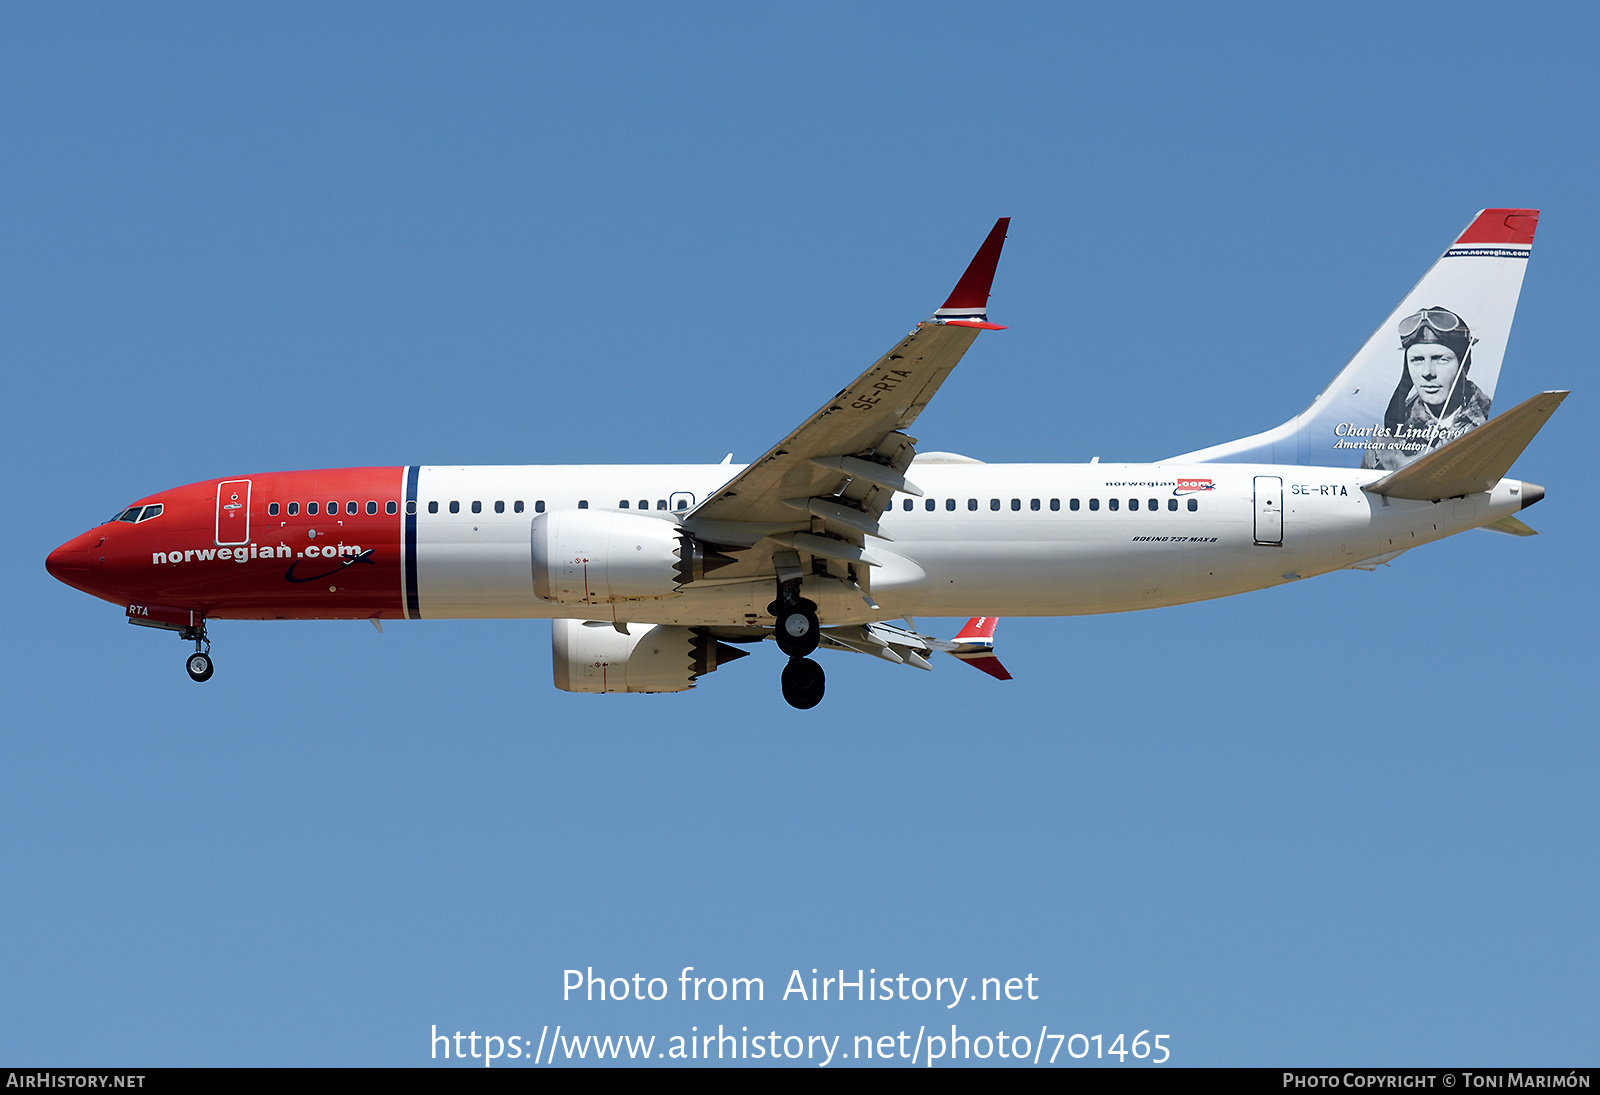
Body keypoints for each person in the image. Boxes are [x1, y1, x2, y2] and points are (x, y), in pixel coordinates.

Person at [1361, 306, 1492, 472]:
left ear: (1464, 365)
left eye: (1441, 359)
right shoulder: (1383, 443)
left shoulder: (1490, 420)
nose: (1427, 373)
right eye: (1417, 360)